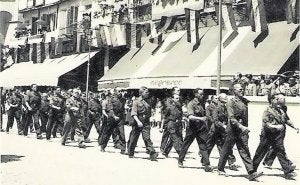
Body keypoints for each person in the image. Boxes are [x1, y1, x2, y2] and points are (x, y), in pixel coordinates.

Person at [217, 84, 263, 181]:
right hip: (232, 129)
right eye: (240, 89)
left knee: (244, 149)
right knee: (227, 149)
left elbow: (245, 117)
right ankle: (220, 168)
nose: (242, 90)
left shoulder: (244, 101)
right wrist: (241, 126)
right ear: (234, 91)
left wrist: (245, 129)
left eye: (243, 89)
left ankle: (251, 172)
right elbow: (231, 118)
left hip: (242, 130)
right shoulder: (230, 102)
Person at [252, 94, 297, 179]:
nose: (278, 101)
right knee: (261, 152)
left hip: (277, 135)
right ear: (272, 100)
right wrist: (276, 126)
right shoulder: (267, 110)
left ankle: (288, 172)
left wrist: (294, 127)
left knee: (280, 151)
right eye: (276, 99)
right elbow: (266, 124)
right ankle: (252, 170)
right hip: (267, 135)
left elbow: (286, 119)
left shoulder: (281, 110)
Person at [178, 88, 213, 172]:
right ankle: (180, 160)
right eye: (200, 94)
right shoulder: (191, 104)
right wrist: (201, 119)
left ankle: (207, 164)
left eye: (202, 94)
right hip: (192, 128)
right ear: (196, 94)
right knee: (186, 144)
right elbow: (190, 116)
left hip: (201, 128)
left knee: (203, 145)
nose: (202, 96)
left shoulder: (202, 103)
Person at [206, 93, 237, 170]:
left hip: (222, 131)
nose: (227, 98)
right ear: (220, 99)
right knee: (209, 147)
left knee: (225, 147)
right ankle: (205, 162)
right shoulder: (217, 108)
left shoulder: (225, 108)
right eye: (225, 97)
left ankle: (231, 163)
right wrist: (223, 125)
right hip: (215, 131)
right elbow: (215, 120)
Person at [127, 86, 158, 160]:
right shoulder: (136, 101)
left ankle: (152, 153)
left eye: (148, 92)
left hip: (146, 122)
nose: (148, 93)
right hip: (137, 121)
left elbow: (149, 112)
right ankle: (130, 152)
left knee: (147, 138)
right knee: (134, 138)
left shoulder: (149, 101)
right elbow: (133, 114)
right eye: (146, 92)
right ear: (141, 93)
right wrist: (138, 121)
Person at [99, 87, 126, 154]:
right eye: (119, 91)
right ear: (115, 92)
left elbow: (123, 109)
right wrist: (114, 116)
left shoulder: (123, 100)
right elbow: (110, 109)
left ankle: (123, 149)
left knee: (122, 133)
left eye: (121, 91)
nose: (120, 92)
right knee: (108, 132)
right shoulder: (110, 99)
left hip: (120, 118)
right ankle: (103, 146)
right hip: (112, 118)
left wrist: (123, 117)